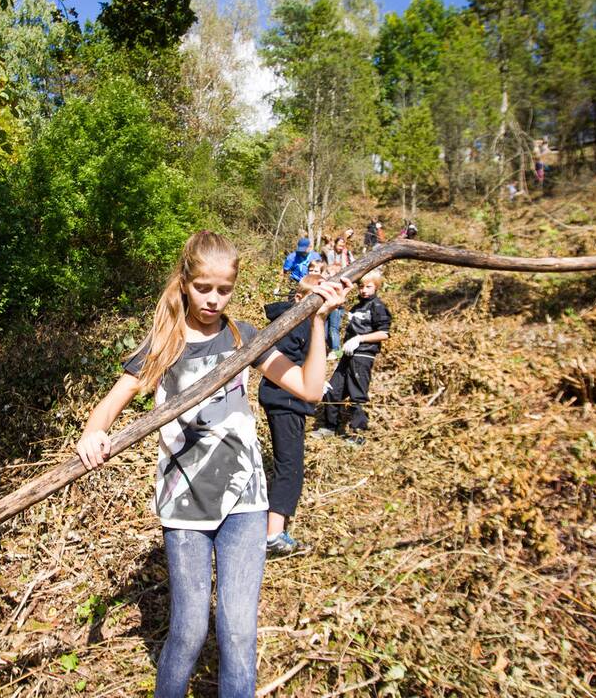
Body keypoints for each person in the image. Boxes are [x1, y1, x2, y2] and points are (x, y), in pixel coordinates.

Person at [76, 231, 352, 698]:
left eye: (223, 289)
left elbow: (308, 388)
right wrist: (93, 431)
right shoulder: (164, 345)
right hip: (184, 501)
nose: (213, 298)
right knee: (189, 630)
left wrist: (322, 320)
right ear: (185, 282)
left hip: (245, 497)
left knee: (239, 632)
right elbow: (110, 405)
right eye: (204, 287)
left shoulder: (244, 336)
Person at [259, 274, 323, 557]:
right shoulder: (291, 325)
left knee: (289, 464)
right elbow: (281, 360)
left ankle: (275, 528)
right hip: (285, 401)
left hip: (290, 400)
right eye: (311, 299)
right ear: (298, 299)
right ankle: (273, 534)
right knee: (290, 467)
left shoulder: (301, 324)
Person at [311, 270, 391, 446]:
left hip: (363, 355)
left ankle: (358, 434)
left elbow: (384, 333)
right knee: (333, 390)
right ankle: (329, 427)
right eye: (361, 286)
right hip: (347, 355)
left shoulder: (377, 307)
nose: (364, 290)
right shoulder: (356, 306)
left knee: (357, 394)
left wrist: (360, 339)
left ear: (376, 287)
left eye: (368, 286)